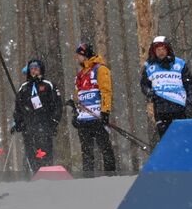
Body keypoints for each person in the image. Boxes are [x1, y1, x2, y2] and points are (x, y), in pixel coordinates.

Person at [71, 42, 117, 176]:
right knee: (86, 152)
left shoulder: (100, 69)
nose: (77, 58)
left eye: (78, 55)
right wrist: (76, 114)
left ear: (84, 55)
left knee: (105, 148)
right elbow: (79, 98)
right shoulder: (80, 75)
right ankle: (88, 178)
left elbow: (106, 91)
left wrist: (105, 111)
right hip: (84, 120)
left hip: (97, 117)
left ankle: (111, 176)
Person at [140, 36, 192, 141]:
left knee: (183, 140)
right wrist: (149, 93)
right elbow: (144, 84)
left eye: (163, 49)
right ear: (154, 51)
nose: (161, 52)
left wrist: (189, 103)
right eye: (158, 50)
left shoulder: (180, 64)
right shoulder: (149, 67)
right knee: (166, 141)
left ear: (168, 49)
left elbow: (190, 86)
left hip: (180, 108)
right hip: (161, 110)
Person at [12, 58, 62, 174]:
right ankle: (35, 177)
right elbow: (18, 108)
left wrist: (54, 122)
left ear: (41, 70)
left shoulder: (48, 85)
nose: (34, 71)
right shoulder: (24, 87)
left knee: (44, 155)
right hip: (29, 128)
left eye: (36, 68)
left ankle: (47, 176)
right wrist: (18, 122)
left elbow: (58, 106)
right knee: (31, 156)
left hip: (44, 127)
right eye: (31, 68)